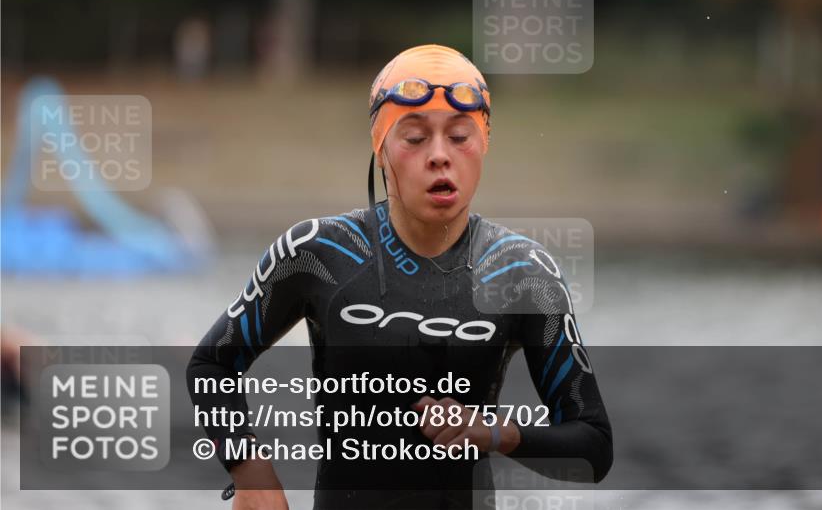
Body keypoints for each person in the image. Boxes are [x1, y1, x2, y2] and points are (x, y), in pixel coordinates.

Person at [187, 45, 613, 509]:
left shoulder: (521, 274)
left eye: (460, 136)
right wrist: (250, 471)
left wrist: (494, 433)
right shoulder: (319, 253)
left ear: (484, 144)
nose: (439, 156)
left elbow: (593, 446)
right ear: (382, 149)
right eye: (413, 138)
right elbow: (212, 365)